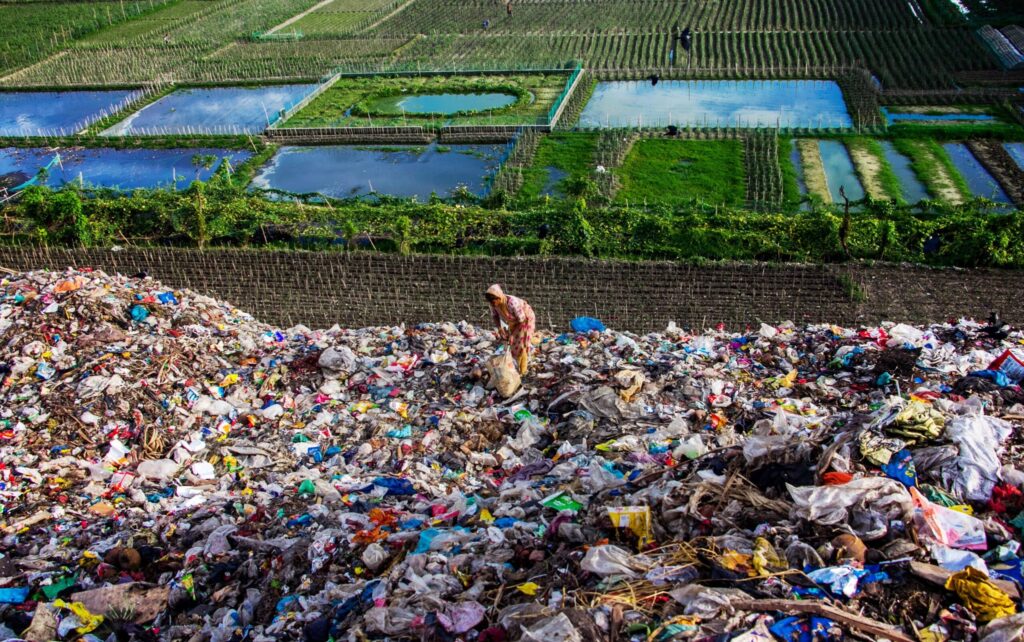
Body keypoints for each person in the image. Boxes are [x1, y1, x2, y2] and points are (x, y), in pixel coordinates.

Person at [485, 284, 535, 375]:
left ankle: (523, 370)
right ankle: (516, 365)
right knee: (513, 343)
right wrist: (499, 328)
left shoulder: (512, 302)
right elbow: (495, 316)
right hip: (514, 321)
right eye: (490, 301)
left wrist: (512, 332)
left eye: (493, 301)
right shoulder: (493, 304)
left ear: (499, 297)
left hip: (525, 319)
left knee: (521, 344)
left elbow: (521, 319)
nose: (492, 303)